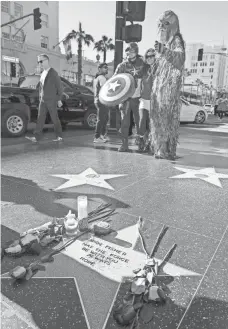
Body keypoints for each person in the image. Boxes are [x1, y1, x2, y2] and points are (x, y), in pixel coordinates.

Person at [150, 10, 185, 159]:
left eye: (166, 24)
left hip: (169, 89)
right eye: (160, 24)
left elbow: (180, 58)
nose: (162, 27)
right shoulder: (165, 43)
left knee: (167, 118)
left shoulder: (176, 39)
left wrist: (164, 51)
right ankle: (161, 148)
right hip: (160, 88)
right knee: (158, 117)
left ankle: (167, 149)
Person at [114, 42, 145, 152]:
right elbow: (115, 81)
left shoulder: (143, 63)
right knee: (125, 122)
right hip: (125, 99)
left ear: (136, 52)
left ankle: (141, 144)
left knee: (139, 123)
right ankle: (124, 144)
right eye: (127, 51)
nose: (128, 53)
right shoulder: (122, 66)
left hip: (138, 98)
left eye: (131, 51)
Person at [26, 54, 63, 143]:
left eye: (41, 61)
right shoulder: (43, 73)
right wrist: (39, 97)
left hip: (51, 100)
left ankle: (59, 136)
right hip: (42, 101)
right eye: (38, 62)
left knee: (54, 118)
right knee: (40, 119)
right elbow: (41, 87)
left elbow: (59, 87)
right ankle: (36, 137)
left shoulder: (53, 73)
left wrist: (59, 99)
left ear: (46, 61)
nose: (39, 63)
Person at [138, 48, 157, 152]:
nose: (150, 58)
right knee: (142, 121)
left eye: (152, 56)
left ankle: (149, 144)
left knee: (151, 124)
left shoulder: (158, 69)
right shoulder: (143, 69)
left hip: (154, 102)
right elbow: (137, 82)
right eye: (148, 56)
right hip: (143, 100)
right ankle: (141, 140)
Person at [93, 63, 109, 143]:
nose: (106, 69)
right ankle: (97, 137)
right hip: (102, 100)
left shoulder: (97, 78)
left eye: (107, 67)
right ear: (99, 69)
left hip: (98, 100)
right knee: (101, 119)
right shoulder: (102, 78)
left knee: (104, 119)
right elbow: (105, 89)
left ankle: (101, 135)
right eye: (104, 67)